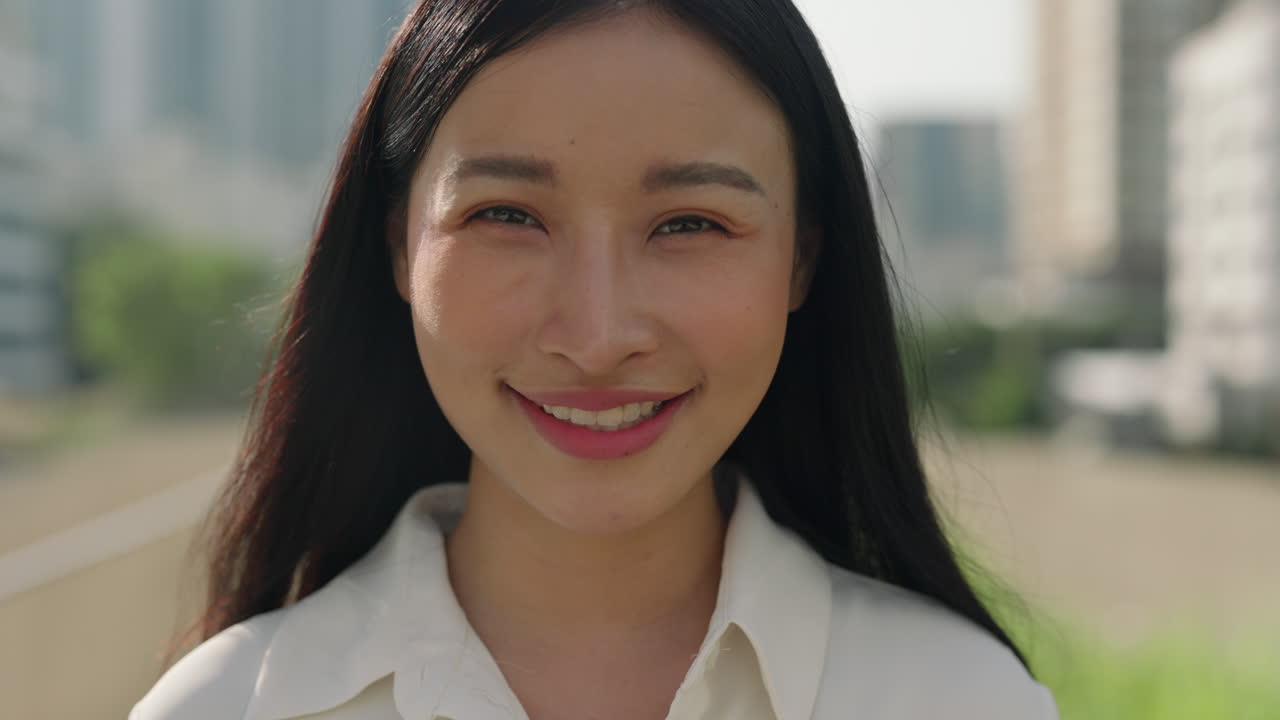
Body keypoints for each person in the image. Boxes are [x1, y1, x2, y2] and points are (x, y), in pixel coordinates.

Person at [131, 1, 1059, 718]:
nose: (599, 332)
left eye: (690, 223)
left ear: (804, 258)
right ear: (397, 248)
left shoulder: (964, 699)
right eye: (507, 215)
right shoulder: (227, 708)